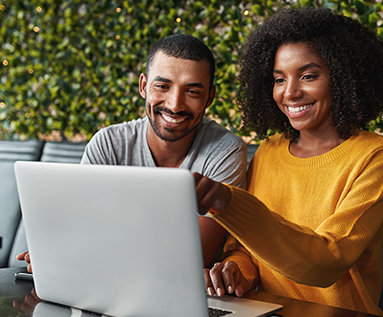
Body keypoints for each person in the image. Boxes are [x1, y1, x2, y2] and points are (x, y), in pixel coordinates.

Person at [194, 7, 383, 316]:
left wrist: (229, 202)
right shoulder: (267, 152)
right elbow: (244, 250)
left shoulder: (375, 156)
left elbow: (327, 262)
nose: (289, 93)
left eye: (308, 76)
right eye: (279, 79)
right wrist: (235, 270)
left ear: (342, 78)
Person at [17, 34, 247, 272]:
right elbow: (79, 230)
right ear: (143, 86)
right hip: (101, 281)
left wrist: (81, 250)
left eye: (192, 92)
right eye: (162, 86)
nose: (175, 104)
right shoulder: (107, 144)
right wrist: (61, 251)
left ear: (210, 96)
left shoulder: (225, 152)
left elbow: (189, 262)